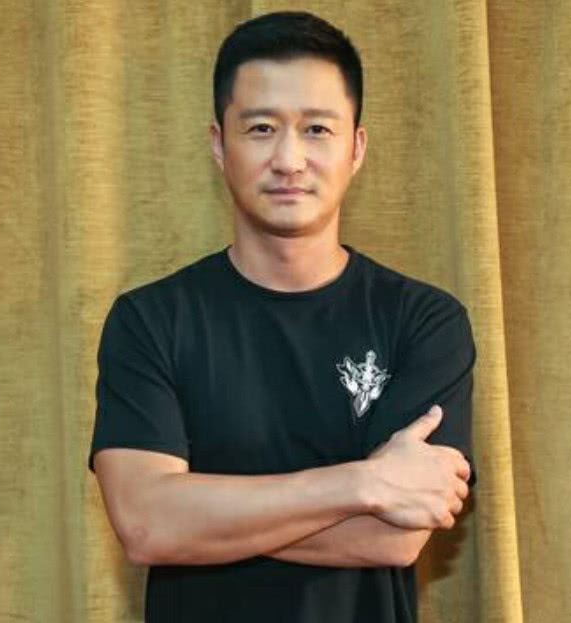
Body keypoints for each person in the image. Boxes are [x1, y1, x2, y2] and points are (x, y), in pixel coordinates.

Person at [88, 10, 477, 623]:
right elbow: (146, 526)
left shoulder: (423, 321)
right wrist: (362, 484)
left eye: (317, 129)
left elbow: (394, 538)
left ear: (356, 147)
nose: (290, 159)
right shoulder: (151, 321)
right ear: (219, 145)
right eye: (262, 128)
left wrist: (199, 517)